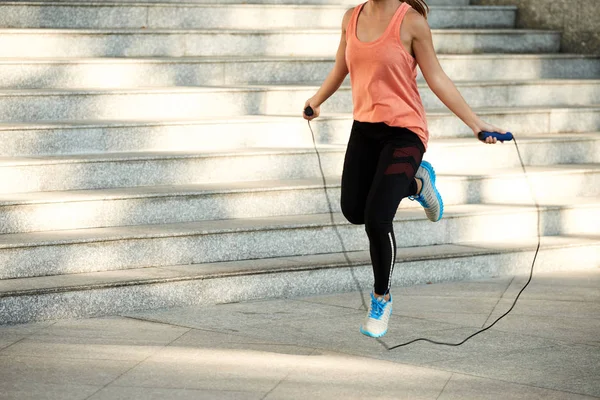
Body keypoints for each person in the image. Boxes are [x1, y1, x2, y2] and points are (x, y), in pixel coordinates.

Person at [303, 0, 508, 338]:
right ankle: (418, 184)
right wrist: (316, 100)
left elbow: (437, 77)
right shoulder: (351, 18)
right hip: (365, 130)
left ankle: (380, 298)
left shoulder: (412, 23)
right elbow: (342, 66)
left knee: (377, 217)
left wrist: (476, 124)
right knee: (354, 211)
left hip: (405, 132)